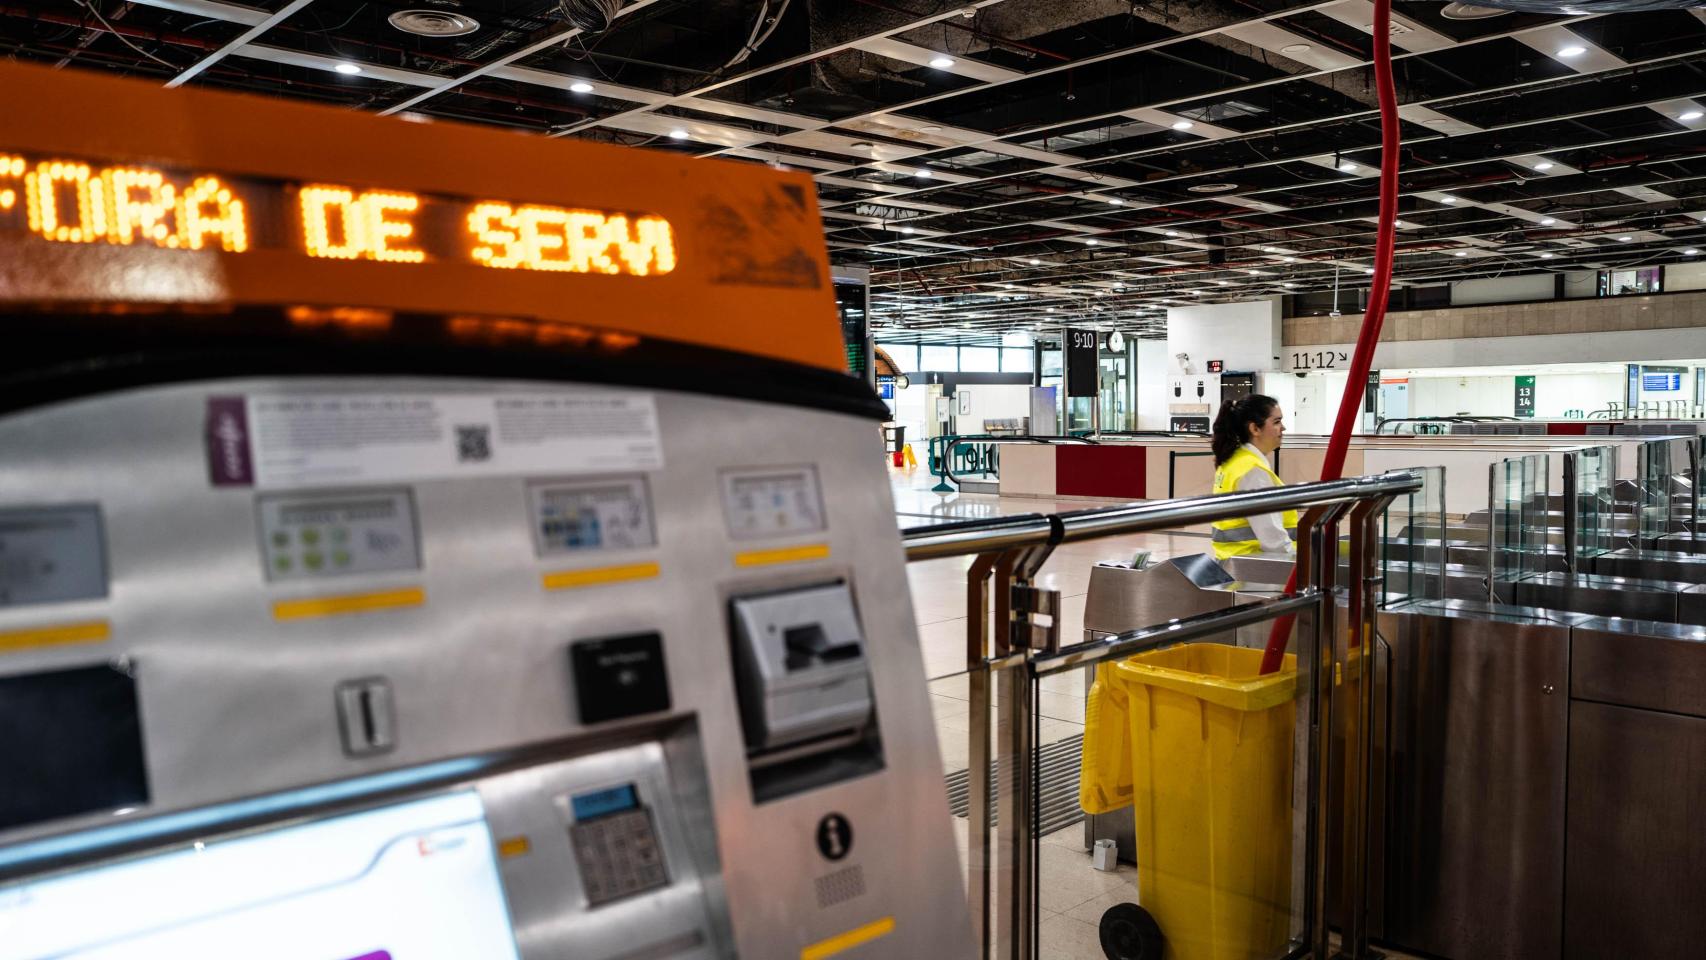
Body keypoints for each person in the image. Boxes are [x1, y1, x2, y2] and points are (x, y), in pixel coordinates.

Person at [1209, 394, 1296, 559]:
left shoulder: (1234, 461)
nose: (1283, 428)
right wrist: (1296, 563)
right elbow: (1272, 537)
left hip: (1237, 563)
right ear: (1255, 429)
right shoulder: (1253, 471)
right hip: (1256, 568)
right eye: (1276, 422)